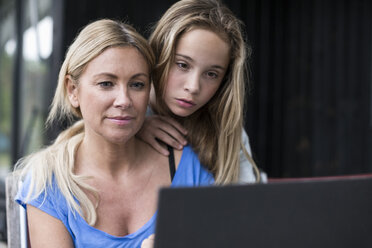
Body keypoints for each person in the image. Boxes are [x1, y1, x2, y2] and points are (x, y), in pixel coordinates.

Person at [14, 19, 213, 248]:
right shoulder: (47, 183)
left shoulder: (188, 168)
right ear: (72, 90)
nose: (124, 101)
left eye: (137, 85)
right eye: (107, 83)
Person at [137, 0, 264, 184]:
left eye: (211, 74)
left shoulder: (226, 132)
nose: (194, 87)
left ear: (225, 80)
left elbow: (247, 205)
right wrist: (134, 127)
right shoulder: (122, 108)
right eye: (182, 64)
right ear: (159, 54)